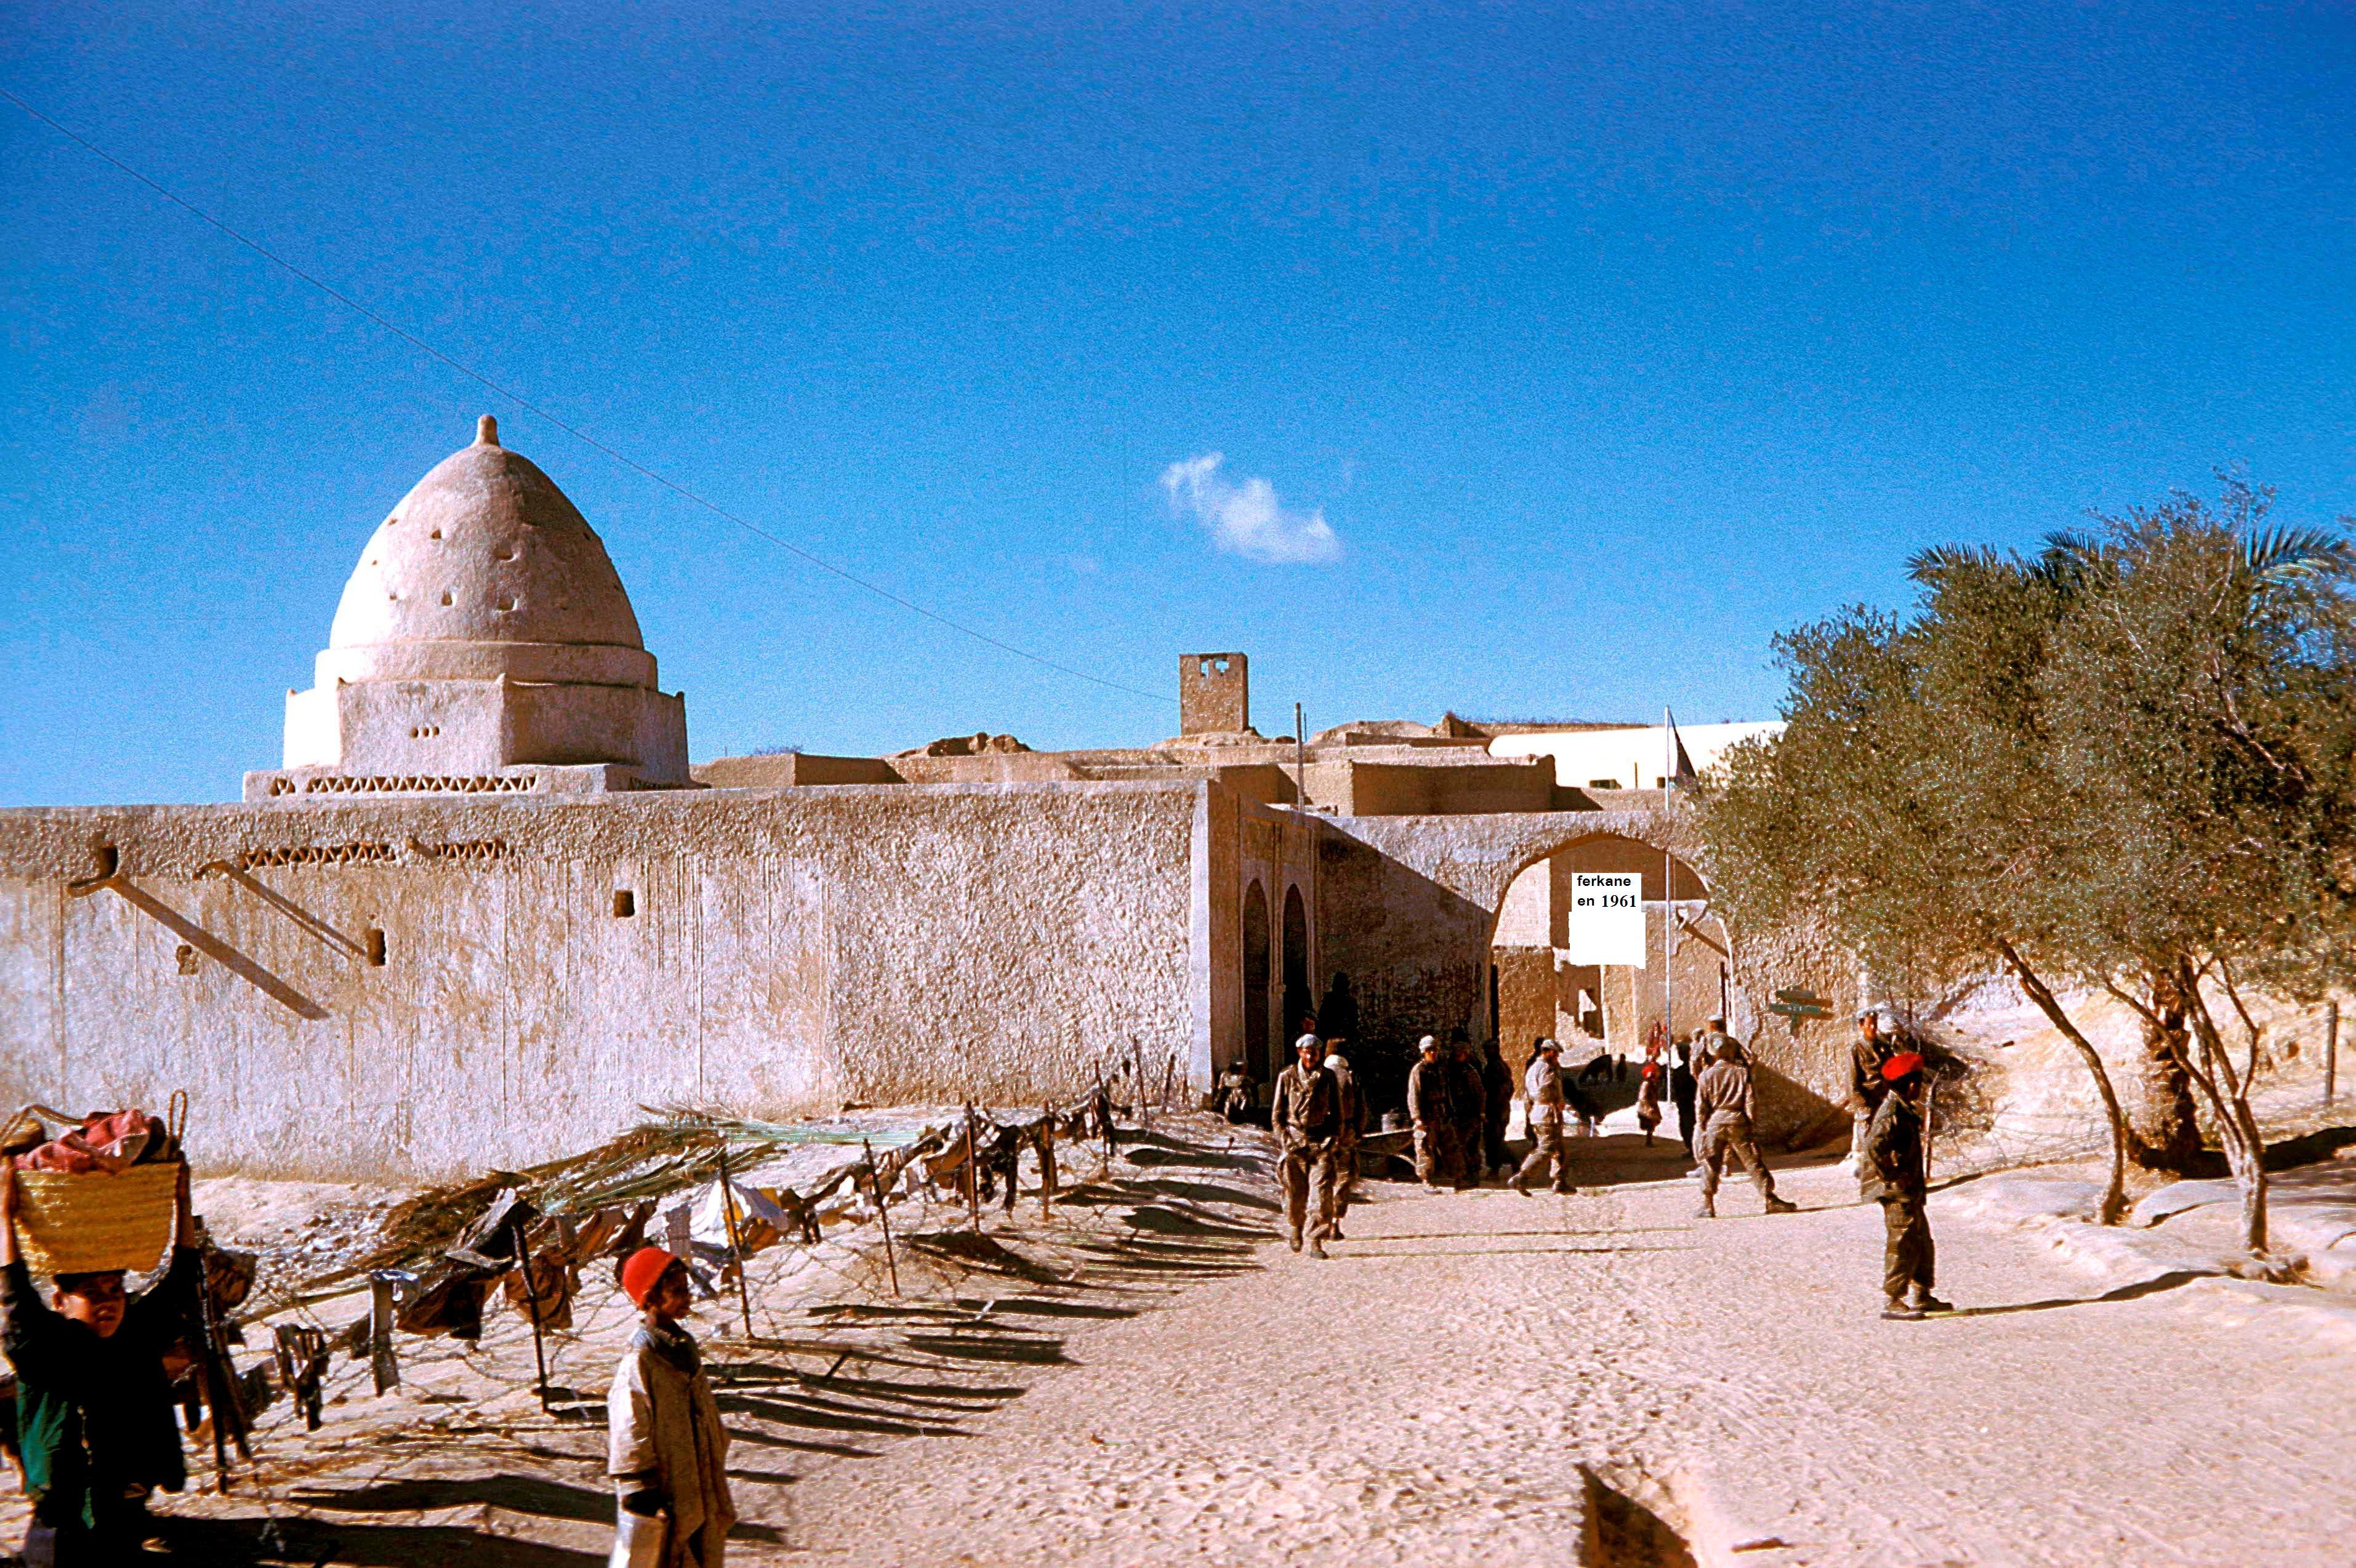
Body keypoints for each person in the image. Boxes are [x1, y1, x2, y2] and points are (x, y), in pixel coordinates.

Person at [1, 1159, 202, 1566]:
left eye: (115, 1289)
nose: (108, 1301)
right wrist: (5, 1215)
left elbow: (181, 1282)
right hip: (61, 1526)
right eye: (92, 1292)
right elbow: (16, 1298)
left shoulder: (135, 1337)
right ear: (60, 1302)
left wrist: (182, 1202)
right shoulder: (47, 1350)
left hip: (122, 1516)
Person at [609, 1245, 735, 1567]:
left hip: (700, 1476)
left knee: (703, 1547)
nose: (686, 1297)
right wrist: (640, 1485)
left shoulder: (684, 1346)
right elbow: (630, 1424)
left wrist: (714, 1445)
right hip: (666, 1484)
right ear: (650, 1297)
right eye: (676, 1291)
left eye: (686, 1289)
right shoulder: (640, 1359)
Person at [1692, 1039, 1798, 1219]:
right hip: (1738, 1120)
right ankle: (1769, 1198)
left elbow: (1701, 1106)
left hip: (1716, 1122)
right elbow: (1750, 1100)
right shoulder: (1741, 1072)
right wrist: (1750, 1121)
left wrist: (1703, 1127)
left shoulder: (1706, 1075)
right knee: (1752, 1161)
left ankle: (1708, 1204)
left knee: (1710, 1163)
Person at [1269, 1034, 1342, 1257]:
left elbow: (1338, 1114)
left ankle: (1316, 1240)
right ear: (1300, 1052)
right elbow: (1277, 1116)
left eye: (1315, 1052)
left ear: (1320, 1054)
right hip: (1294, 1143)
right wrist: (1286, 1141)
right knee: (1294, 1195)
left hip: (1320, 1143)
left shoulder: (1328, 1078)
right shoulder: (1287, 1077)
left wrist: (1332, 1139)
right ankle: (1296, 1228)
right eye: (1306, 1052)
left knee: (1322, 1195)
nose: (1310, 1056)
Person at [1510, 1039, 1574, 1195]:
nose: (1557, 1057)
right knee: (1547, 1148)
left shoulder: (1532, 1069)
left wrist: (1530, 1112)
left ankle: (1560, 1181)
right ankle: (1522, 1177)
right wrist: (1555, 1101)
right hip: (1547, 1113)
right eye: (1556, 1054)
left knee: (1559, 1150)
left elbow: (1527, 1096)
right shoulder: (1547, 1070)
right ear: (1549, 1052)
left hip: (1539, 1112)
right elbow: (1545, 1089)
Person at [1405, 1035, 1460, 1189]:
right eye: (1429, 1050)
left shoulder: (1441, 1069)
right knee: (1425, 1150)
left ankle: (1457, 1177)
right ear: (1423, 1052)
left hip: (1442, 1115)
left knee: (1451, 1147)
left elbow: (1447, 1091)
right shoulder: (1419, 1070)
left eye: (1434, 1049)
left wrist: (1450, 1111)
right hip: (1428, 1117)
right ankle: (1427, 1181)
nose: (1433, 1053)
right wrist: (1417, 1118)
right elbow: (1413, 1095)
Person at [1324, 1046, 1366, 1237]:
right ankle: (1335, 1221)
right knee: (1343, 1176)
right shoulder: (1350, 1077)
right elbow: (1362, 1108)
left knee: (1322, 1176)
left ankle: (1321, 1220)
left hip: (1323, 1134)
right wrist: (1359, 1130)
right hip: (1346, 1132)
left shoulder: (1319, 1076)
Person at [1847, 1009, 1897, 1168]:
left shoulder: (1884, 1046)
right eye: (1870, 1025)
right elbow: (1852, 1082)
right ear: (1862, 1026)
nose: (1873, 1028)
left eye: (1875, 1024)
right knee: (1868, 1142)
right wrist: (1863, 1106)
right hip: (1868, 1101)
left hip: (1885, 1099)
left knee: (1888, 1138)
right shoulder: (1856, 1050)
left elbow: (1893, 1070)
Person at [1444, 1032, 1486, 1189]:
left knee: (1469, 1146)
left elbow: (1480, 1094)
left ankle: (1471, 1174)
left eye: (1461, 1054)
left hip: (1470, 1115)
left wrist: (1481, 1113)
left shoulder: (1470, 1072)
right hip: (1457, 1114)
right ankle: (1463, 1174)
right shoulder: (1450, 1071)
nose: (1458, 1057)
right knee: (1459, 1146)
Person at [1478, 1037, 1514, 1177]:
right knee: (1497, 1140)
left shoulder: (1495, 1067)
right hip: (1501, 1108)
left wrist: (1491, 1107)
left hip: (1496, 1109)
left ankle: (1496, 1169)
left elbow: (1497, 1090)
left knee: (1494, 1141)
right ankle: (1512, 1164)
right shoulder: (1501, 1066)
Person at [1669, 1034, 1701, 1158]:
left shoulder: (1682, 1071)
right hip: (1689, 1103)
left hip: (1687, 1103)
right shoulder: (1693, 1070)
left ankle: (1693, 1149)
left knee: (1688, 1126)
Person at [1634, 1053, 1665, 1146]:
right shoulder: (1647, 1084)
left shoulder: (1651, 1083)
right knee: (1650, 1124)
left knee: (1652, 1124)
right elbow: (1643, 1097)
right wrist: (1648, 1106)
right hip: (1647, 1107)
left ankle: (1649, 1140)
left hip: (1650, 1106)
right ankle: (1649, 1141)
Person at [1215, 1060, 1255, 1124]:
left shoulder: (1225, 1074)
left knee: (1231, 1104)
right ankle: (1238, 1114)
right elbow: (1220, 1086)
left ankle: (1234, 1116)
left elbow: (1220, 1086)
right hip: (1230, 1092)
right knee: (1239, 1101)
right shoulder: (1236, 1076)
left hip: (1232, 1092)